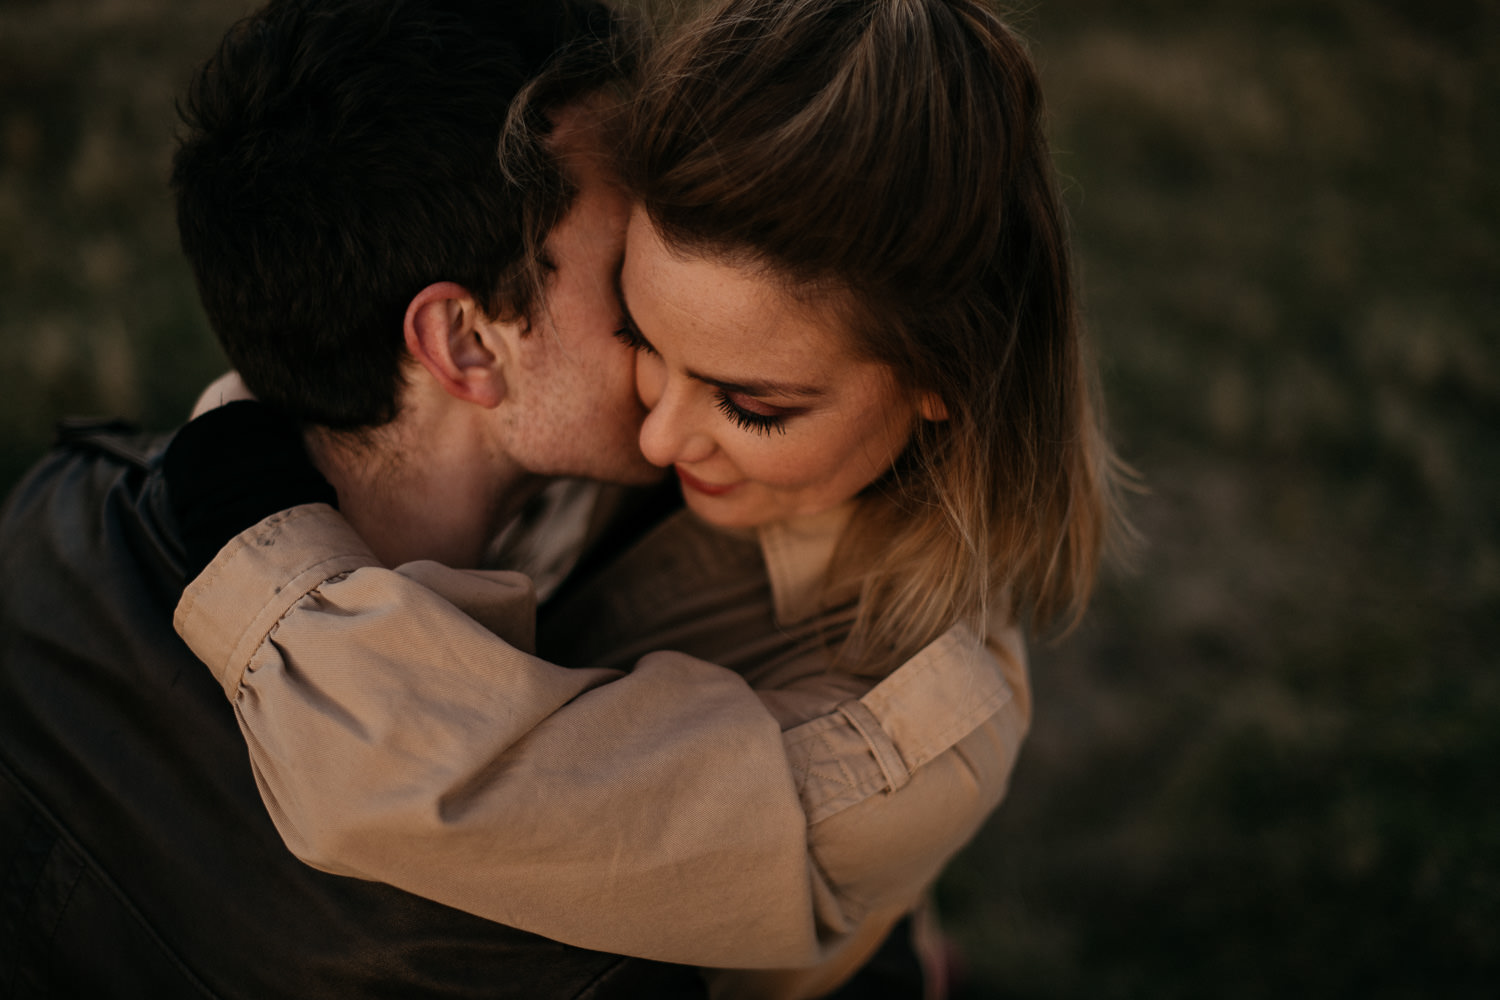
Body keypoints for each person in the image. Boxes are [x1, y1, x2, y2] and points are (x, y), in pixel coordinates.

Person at [163, 0, 1125, 997]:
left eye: (750, 403)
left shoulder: (912, 728)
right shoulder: (639, 443)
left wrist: (249, 520)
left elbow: (426, 787)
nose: (661, 434)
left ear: (945, 381)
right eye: (641, 329)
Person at [0, 0, 707, 995]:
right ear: (465, 342)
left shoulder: (53, 511)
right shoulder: (540, 946)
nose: (690, 289)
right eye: (633, 267)